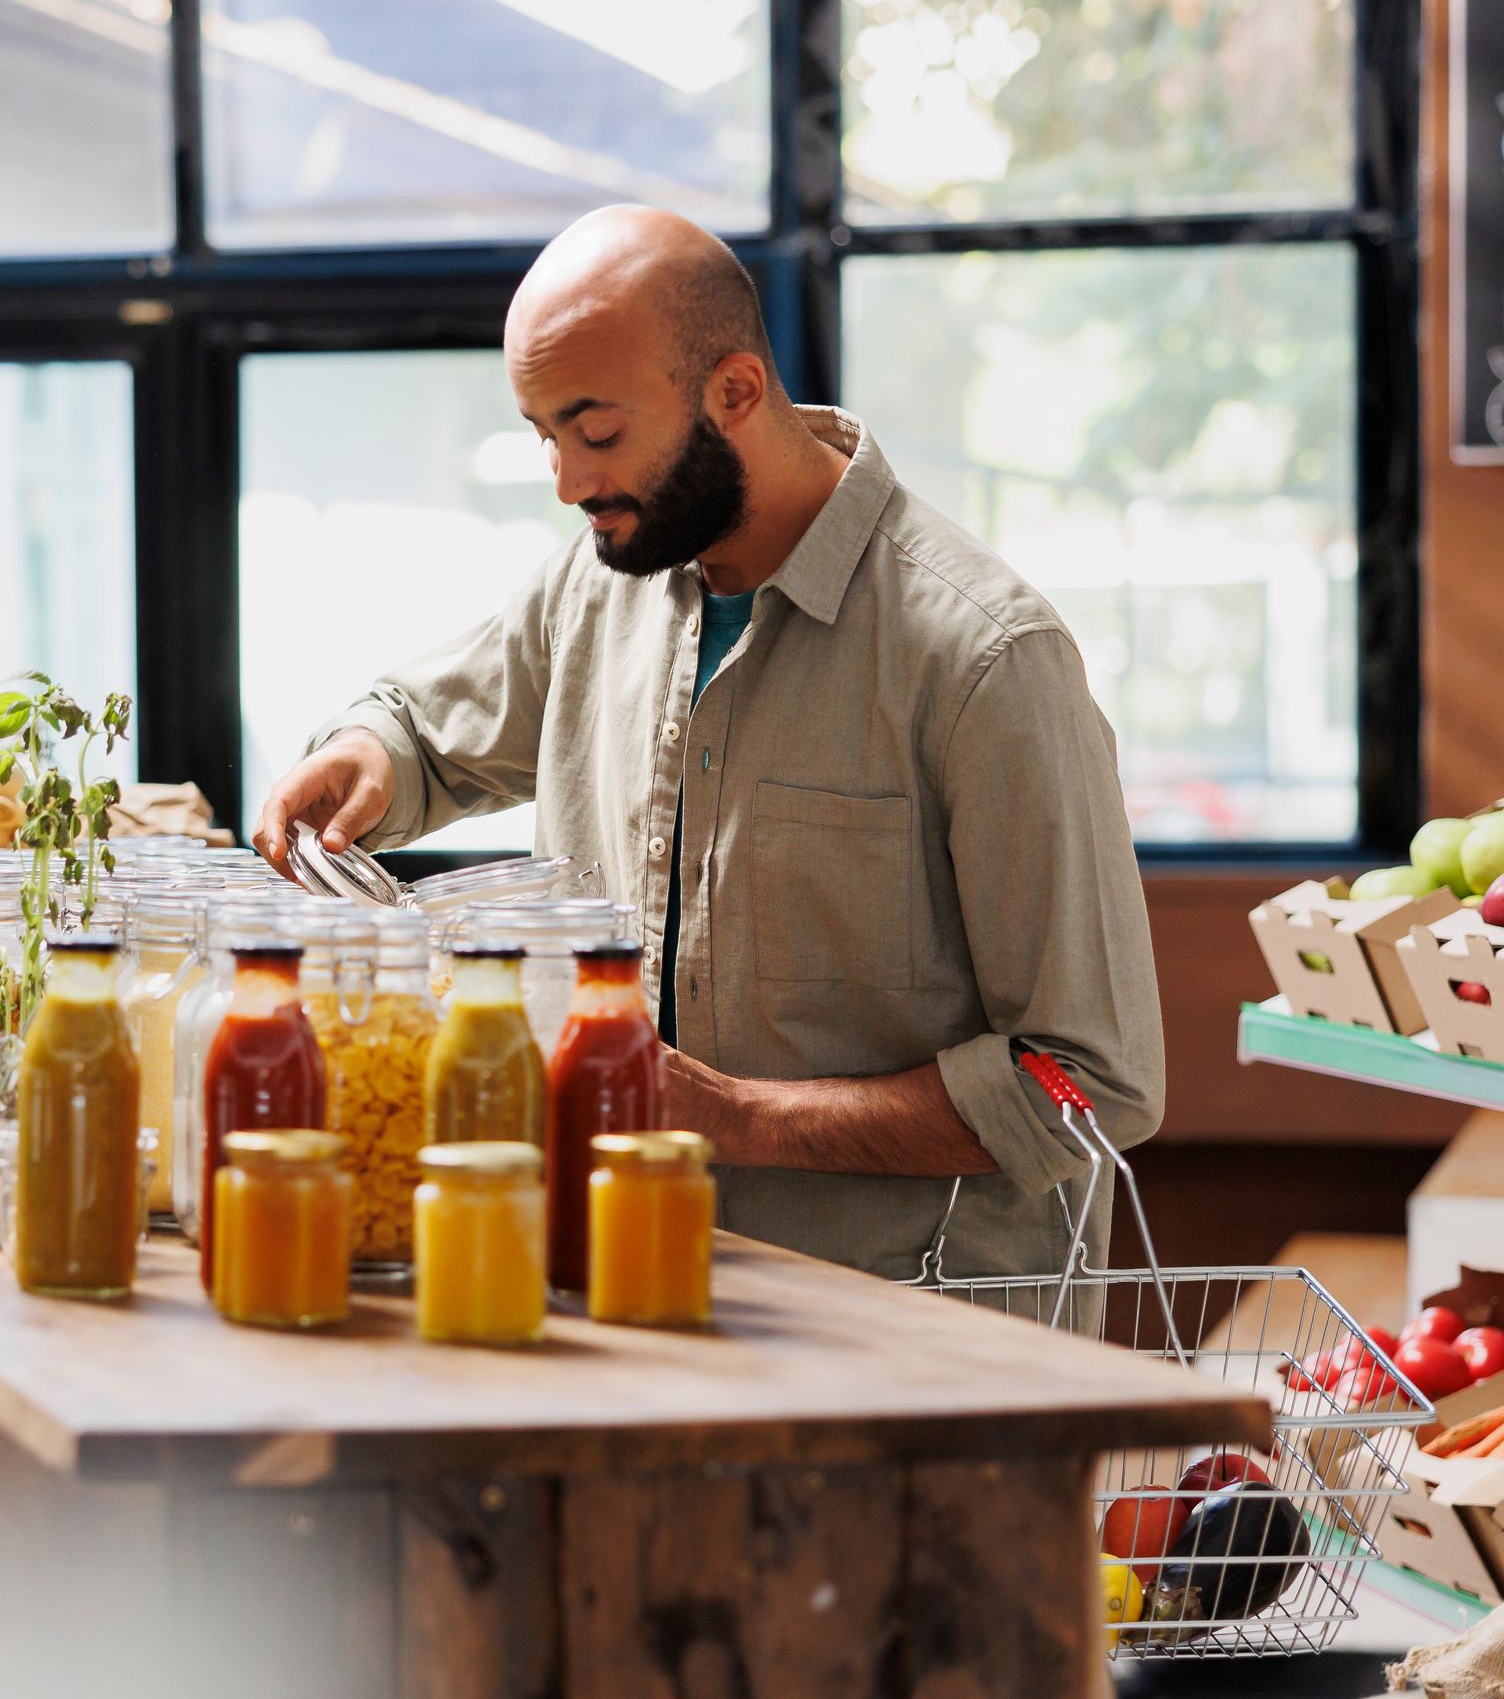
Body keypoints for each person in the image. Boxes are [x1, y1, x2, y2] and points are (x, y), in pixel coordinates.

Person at [254, 205, 1163, 1280]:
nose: (567, 482)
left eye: (596, 433)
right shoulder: (601, 580)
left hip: (910, 1355)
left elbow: (1089, 1083)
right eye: (544, 436)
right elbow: (418, 732)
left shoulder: (987, 658)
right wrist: (366, 751)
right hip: (623, 1290)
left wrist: (727, 1114)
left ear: (735, 391)